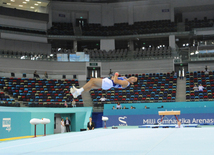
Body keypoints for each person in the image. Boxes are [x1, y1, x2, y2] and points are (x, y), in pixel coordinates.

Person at [70, 72, 137, 98]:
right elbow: (113, 78)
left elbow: (115, 80)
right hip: (109, 83)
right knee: (91, 86)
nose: (132, 78)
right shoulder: (124, 77)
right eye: (133, 77)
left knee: (92, 80)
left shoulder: (126, 83)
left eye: (134, 79)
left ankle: (78, 91)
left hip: (109, 83)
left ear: (132, 83)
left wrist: (116, 74)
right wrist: (114, 77)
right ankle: (77, 94)